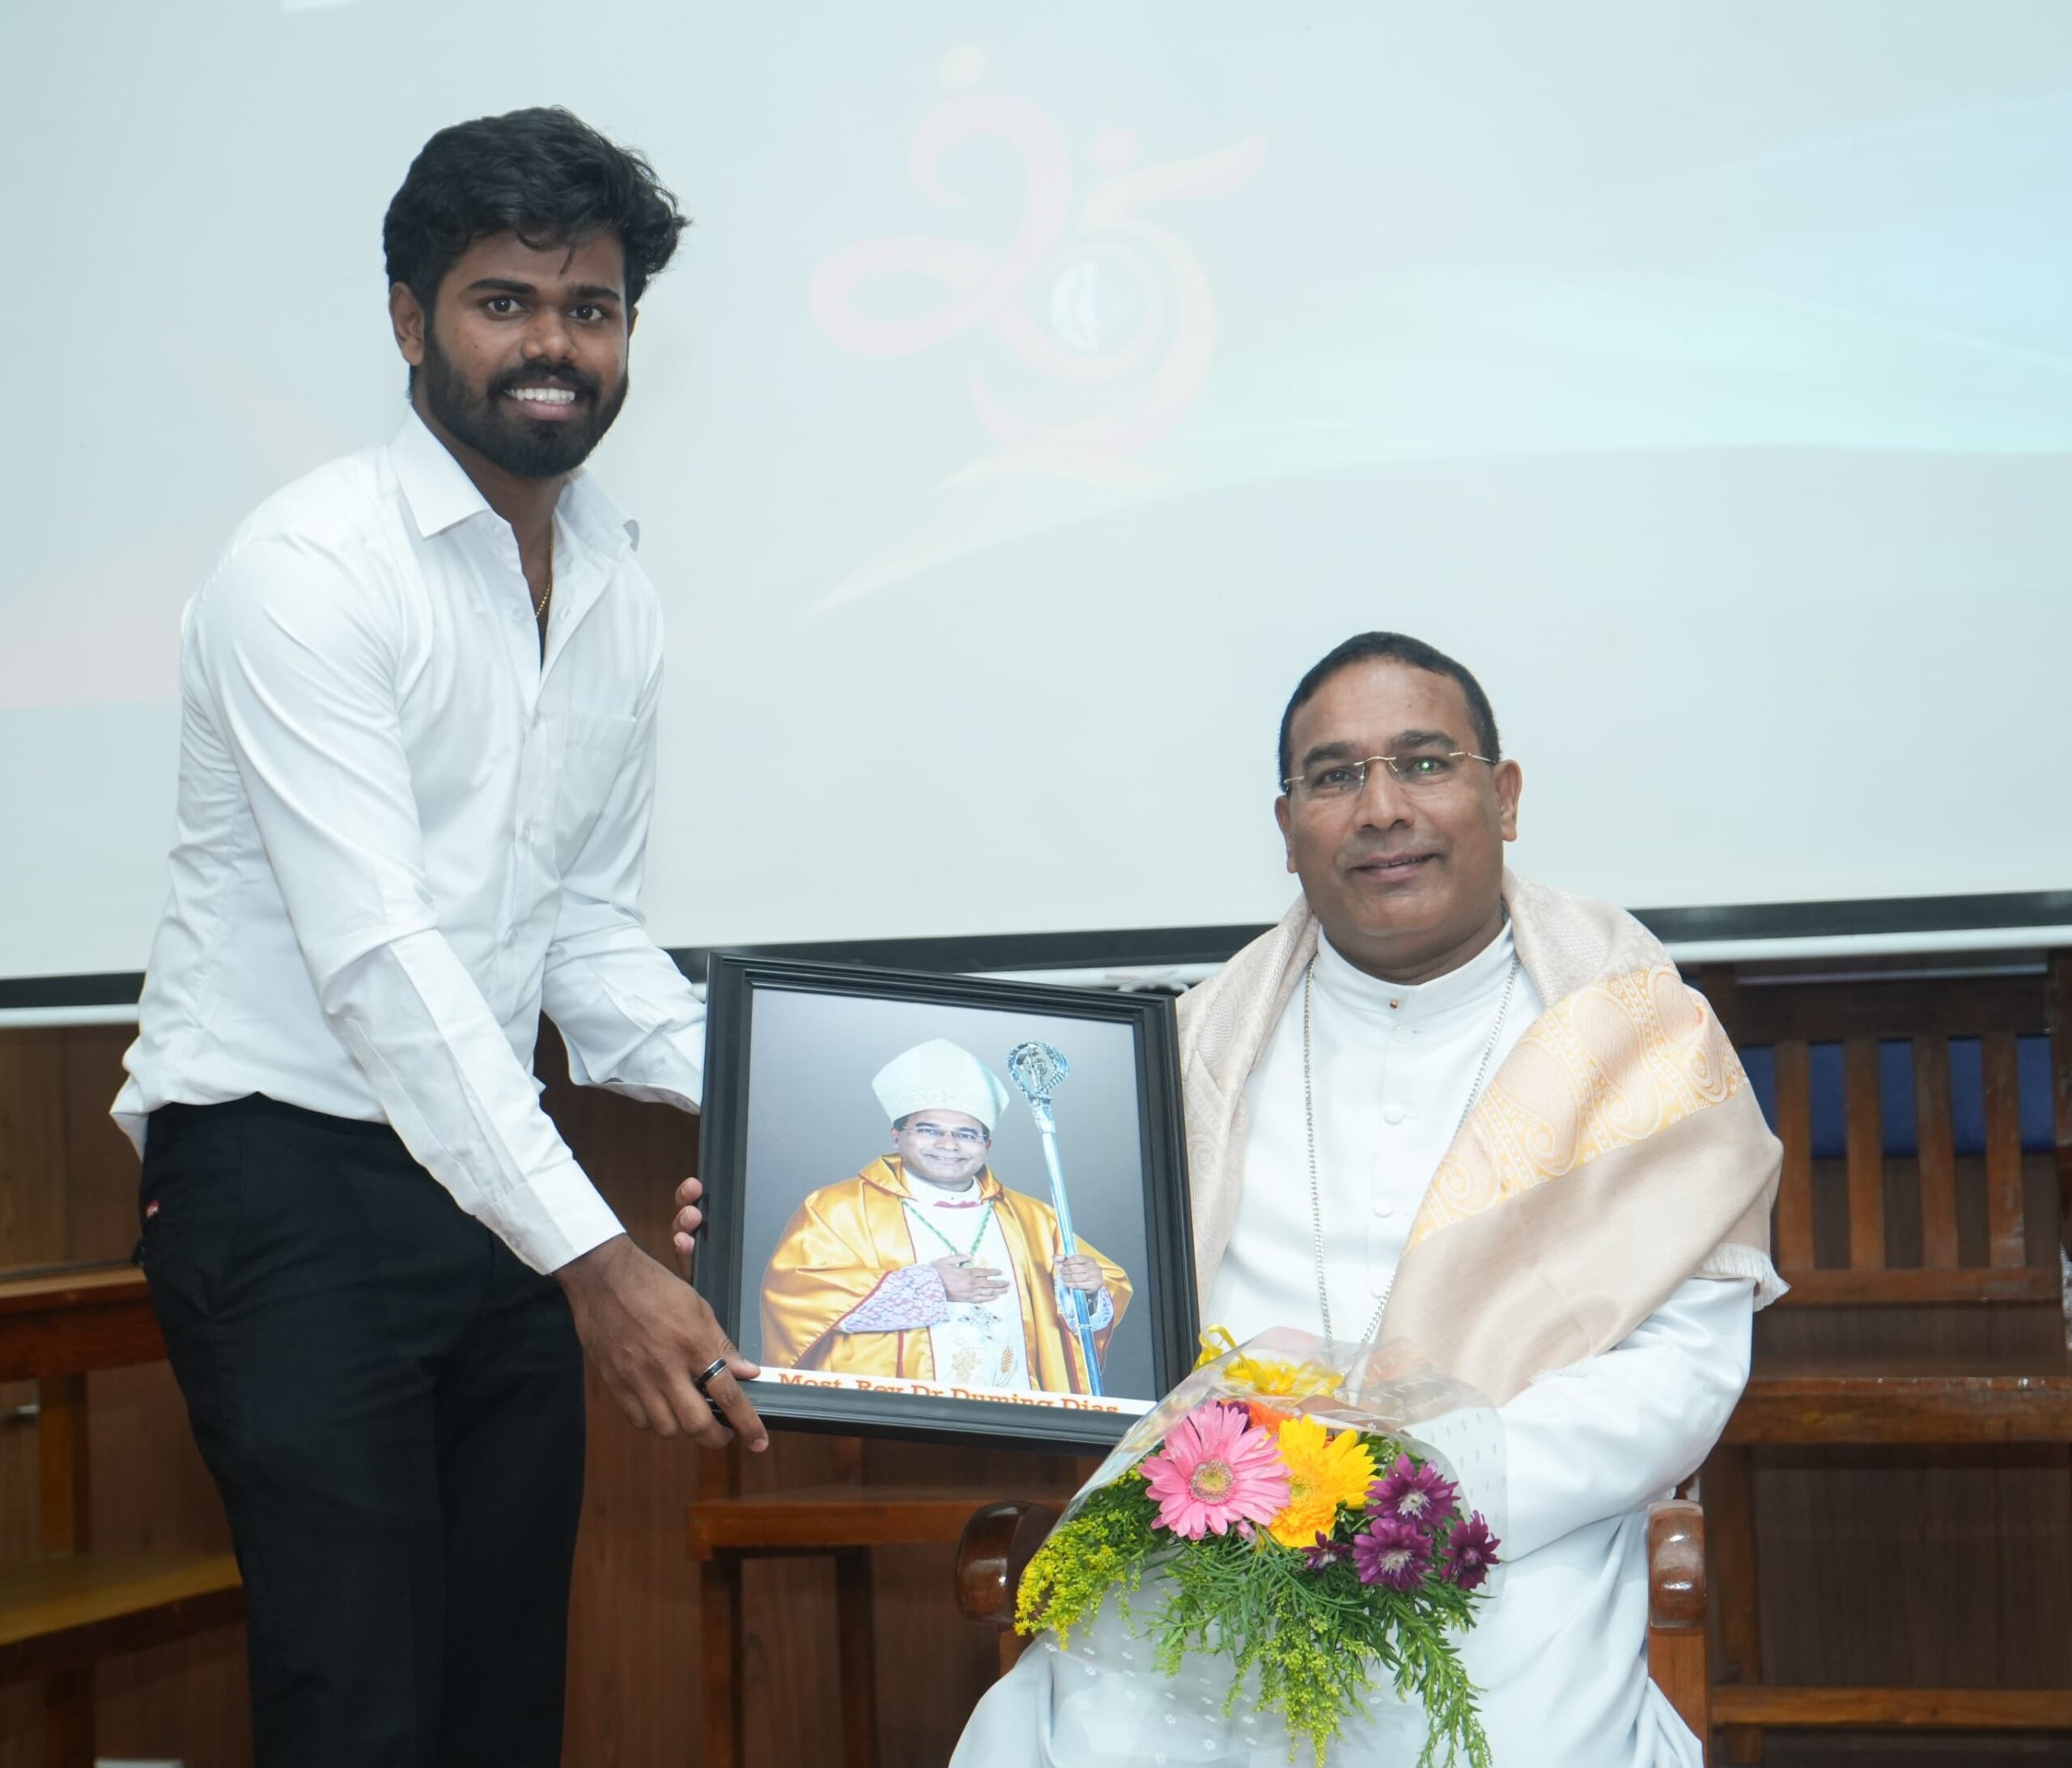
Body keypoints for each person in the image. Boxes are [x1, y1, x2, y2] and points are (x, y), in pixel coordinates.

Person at [112, 108, 765, 1768]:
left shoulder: (614, 586)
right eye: (504, 302)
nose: (554, 346)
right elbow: (381, 965)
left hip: (484, 1186)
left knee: (498, 1708)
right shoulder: (307, 570)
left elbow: (587, 941)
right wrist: (598, 1262)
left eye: (592, 308)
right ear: (410, 319)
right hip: (282, 1178)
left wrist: (794, 1111)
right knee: (360, 1708)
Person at [952, 632, 1781, 1766]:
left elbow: (1680, 1370)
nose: (1383, 808)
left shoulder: (1639, 1045)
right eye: (1335, 776)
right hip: (1208, 1547)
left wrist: (1424, 1490)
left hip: (1504, 1549)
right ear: (1287, 826)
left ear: (1504, 795)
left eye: (1425, 763)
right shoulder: (1188, 1055)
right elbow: (1060, 1306)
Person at [758, 1038, 1132, 1393]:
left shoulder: (1034, 1218)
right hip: (893, 1411)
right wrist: (930, 1287)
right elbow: (797, 1295)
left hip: (1014, 1409)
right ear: (896, 1135)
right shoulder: (837, 1208)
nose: (948, 1145)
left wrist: (1089, 1289)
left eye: (966, 1135)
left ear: (986, 1146)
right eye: (929, 1130)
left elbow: (1097, 1302)